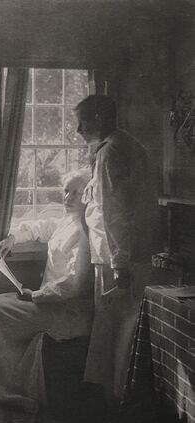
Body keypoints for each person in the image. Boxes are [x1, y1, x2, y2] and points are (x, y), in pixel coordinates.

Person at [0, 170, 93, 412]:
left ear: (89, 196)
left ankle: (0, 388)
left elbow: (76, 284)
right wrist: (12, 238)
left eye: (76, 193)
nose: (68, 198)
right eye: (66, 191)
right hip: (48, 301)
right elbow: (39, 226)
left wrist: (37, 295)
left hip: (66, 312)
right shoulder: (67, 221)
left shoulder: (86, 232)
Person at [74, 94, 152, 402]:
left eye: (82, 122)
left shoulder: (111, 153)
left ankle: (116, 398)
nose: (78, 130)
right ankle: (117, 396)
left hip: (116, 258)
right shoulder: (125, 146)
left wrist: (120, 263)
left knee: (119, 329)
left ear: (98, 119)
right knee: (118, 327)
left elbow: (116, 211)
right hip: (116, 254)